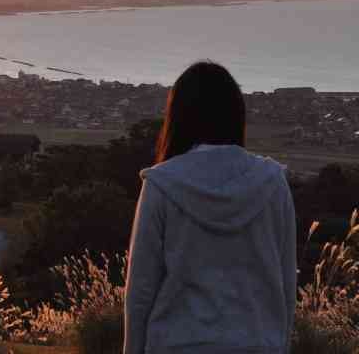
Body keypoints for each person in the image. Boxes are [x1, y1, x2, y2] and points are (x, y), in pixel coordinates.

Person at [124, 61, 297, 354]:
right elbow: (285, 283)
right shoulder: (273, 183)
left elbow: (140, 290)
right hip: (258, 343)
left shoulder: (162, 184)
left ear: (179, 118)